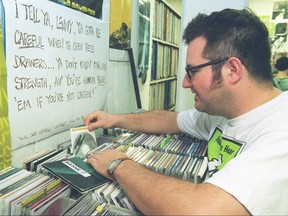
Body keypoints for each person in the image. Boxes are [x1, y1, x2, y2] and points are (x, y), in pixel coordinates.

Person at [84, 8, 288, 215]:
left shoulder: (281, 131)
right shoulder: (224, 112)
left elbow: (198, 211)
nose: (184, 83)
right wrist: (114, 119)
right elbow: (170, 120)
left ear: (232, 70)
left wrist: (118, 165)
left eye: (192, 71)